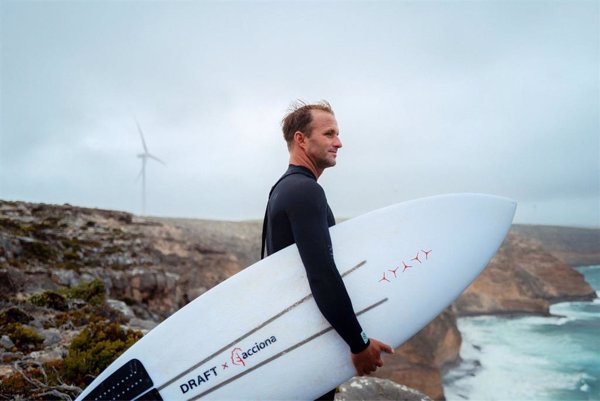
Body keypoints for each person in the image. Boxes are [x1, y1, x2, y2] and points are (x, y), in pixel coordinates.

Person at [262, 100, 393, 400]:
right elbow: (321, 274)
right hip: (307, 343)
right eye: (329, 134)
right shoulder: (306, 191)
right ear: (301, 139)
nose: (339, 142)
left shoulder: (283, 188)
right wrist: (358, 343)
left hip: (298, 340)